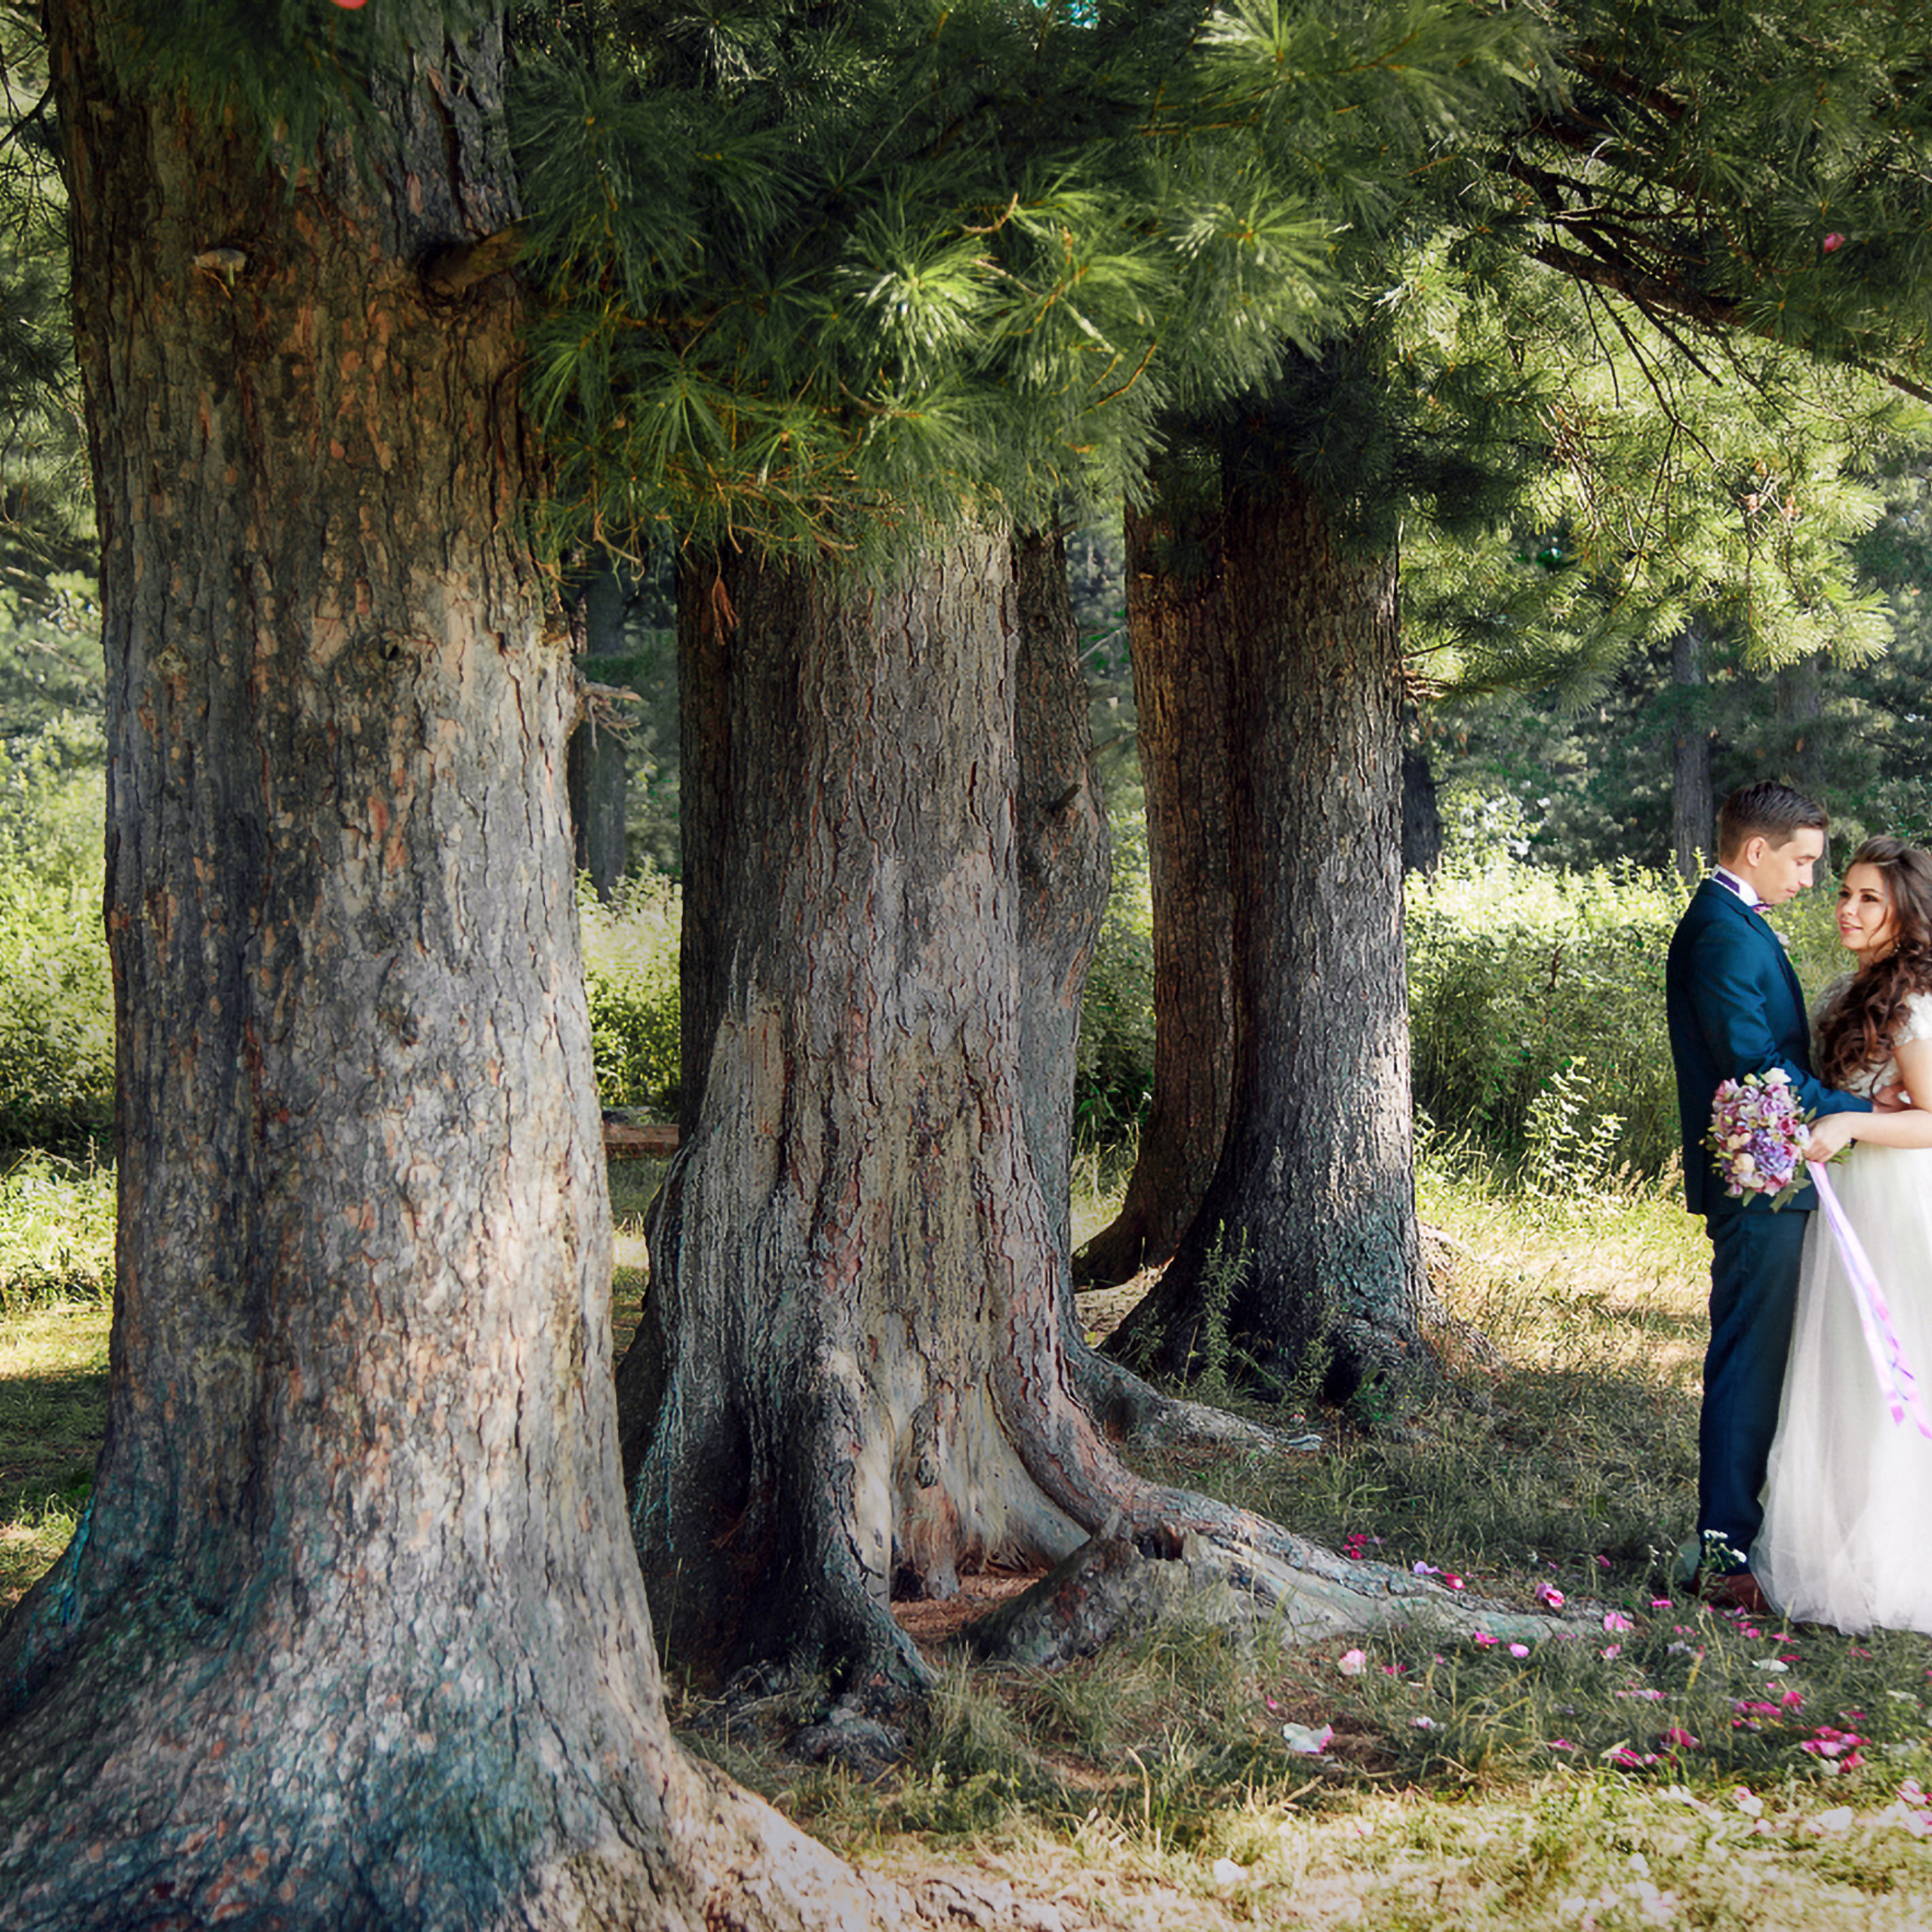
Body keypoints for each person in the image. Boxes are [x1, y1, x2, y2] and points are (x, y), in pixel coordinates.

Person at [1665, 782, 1882, 1615]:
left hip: (1781, 1179)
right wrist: (1863, 1111)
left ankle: (1752, 1533)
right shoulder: (1720, 931)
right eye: (1801, 860)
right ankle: (1723, 1548)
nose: (1808, 879)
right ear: (1754, 850)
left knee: (1768, 1361)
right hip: (1760, 1185)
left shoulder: (1738, 921)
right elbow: (1753, 1063)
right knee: (1748, 1363)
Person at [1753, 838, 1932, 1632]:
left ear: (1906, 911)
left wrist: (1851, 1121)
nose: (1847, 909)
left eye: (1868, 898)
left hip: (1895, 1202)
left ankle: (1896, 1559)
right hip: (1853, 1192)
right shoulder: (1860, 987)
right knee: (1846, 1371)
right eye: (1845, 893)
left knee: (1887, 1367)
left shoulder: (1915, 1002)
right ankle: (1844, 1548)